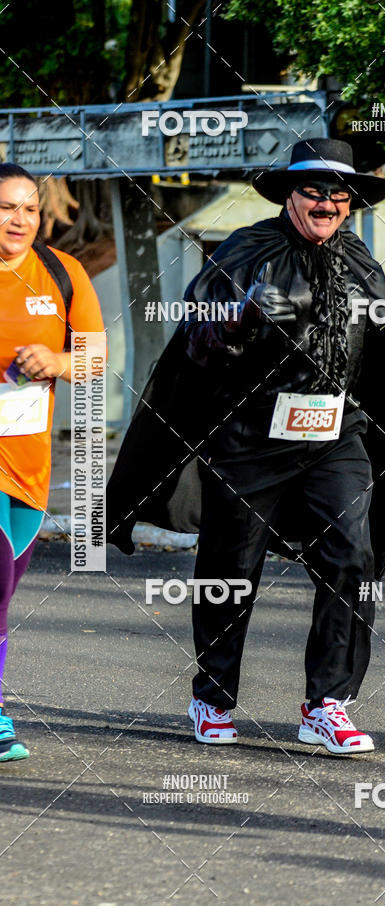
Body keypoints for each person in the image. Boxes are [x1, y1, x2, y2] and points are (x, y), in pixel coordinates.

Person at [107, 138, 385, 754]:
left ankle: (327, 704)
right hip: (251, 436)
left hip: (336, 436)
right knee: (231, 571)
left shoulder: (361, 261)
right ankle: (211, 697)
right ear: (290, 194)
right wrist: (245, 317)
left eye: (341, 194)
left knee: (351, 559)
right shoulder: (247, 249)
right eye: (314, 190)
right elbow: (199, 338)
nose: (329, 202)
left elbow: (372, 342)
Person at [0, 163, 104, 762]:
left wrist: (55, 361)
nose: (20, 220)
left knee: (4, 593)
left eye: (30, 209)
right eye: (7, 207)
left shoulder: (62, 273)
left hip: (29, 464)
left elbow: (92, 358)